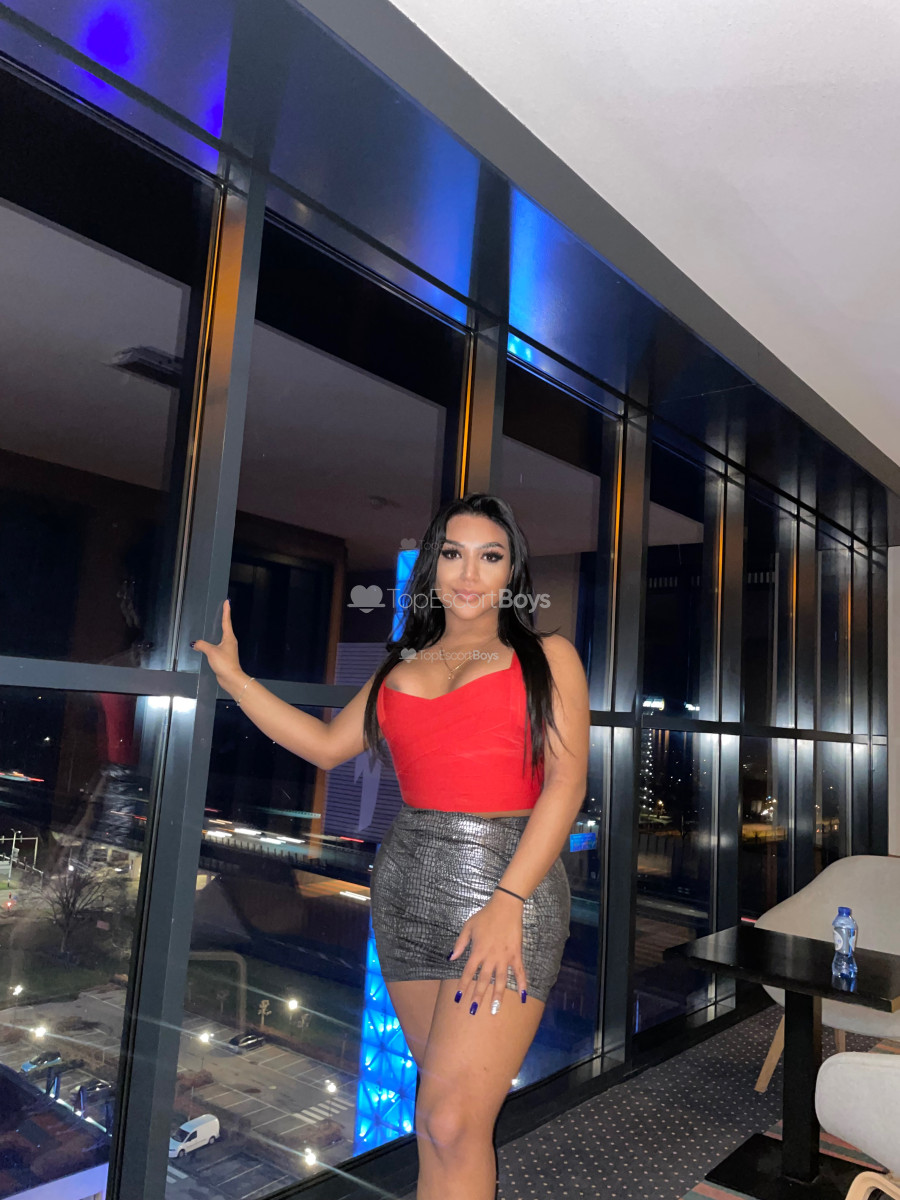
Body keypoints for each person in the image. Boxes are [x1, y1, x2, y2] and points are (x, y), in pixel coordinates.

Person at [192, 492, 590, 1200]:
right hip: (406, 891)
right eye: (454, 553)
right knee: (433, 1120)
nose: (470, 573)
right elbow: (325, 745)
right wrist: (236, 681)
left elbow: (565, 783)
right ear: (433, 566)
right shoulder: (399, 665)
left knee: (451, 1120)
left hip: (508, 889)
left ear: (512, 573)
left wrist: (507, 900)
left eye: (491, 556)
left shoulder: (547, 657)